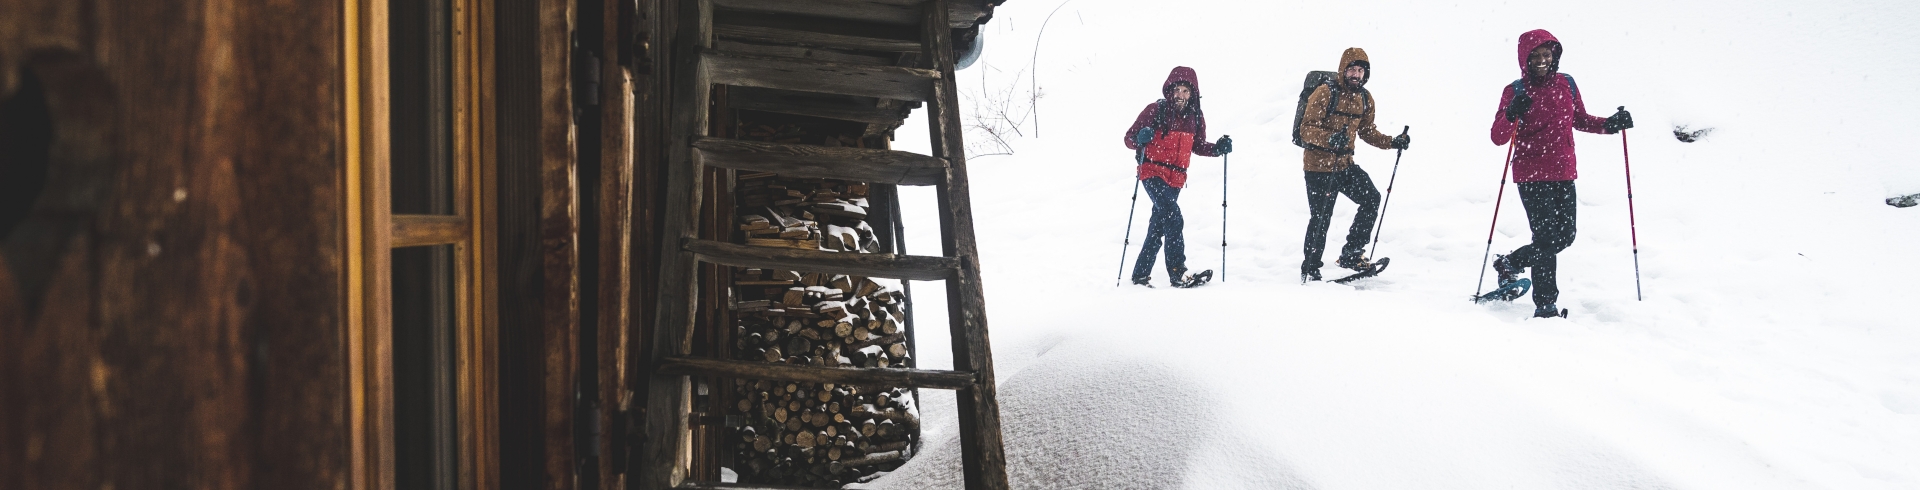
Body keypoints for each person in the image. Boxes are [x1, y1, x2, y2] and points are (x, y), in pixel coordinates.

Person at [1488, 29, 1633, 317]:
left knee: (1565, 236)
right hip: (1531, 173)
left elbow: (1579, 119)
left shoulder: (1567, 83)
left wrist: (1611, 124)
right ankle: (1546, 305)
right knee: (1544, 238)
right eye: (1536, 56)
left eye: (1547, 54)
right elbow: (1497, 137)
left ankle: (1511, 263)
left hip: (1564, 171)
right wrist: (1511, 112)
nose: (1542, 60)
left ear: (1555, 56)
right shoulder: (1515, 91)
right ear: (1524, 59)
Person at [1296, 48, 1410, 282]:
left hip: (1345, 165)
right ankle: (1310, 267)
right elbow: (1306, 129)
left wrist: (1392, 142)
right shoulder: (1325, 93)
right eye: (1352, 70)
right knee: (1321, 218)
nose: (1356, 74)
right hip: (1319, 167)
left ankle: (1351, 254)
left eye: (1360, 70)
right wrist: (1329, 139)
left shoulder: (1365, 98)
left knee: (1371, 198)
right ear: (1343, 70)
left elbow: (1368, 131)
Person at [1122, 66, 1231, 288]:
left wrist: (1217, 149)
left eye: (1185, 91)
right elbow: (1129, 138)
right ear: (1170, 91)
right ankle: (1177, 273)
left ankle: (1140, 276)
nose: (1180, 95)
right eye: (1177, 90)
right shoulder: (1155, 110)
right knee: (1173, 216)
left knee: (1159, 225)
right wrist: (1141, 139)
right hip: (1152, 172)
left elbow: (1198, 146)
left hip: (1176, 179)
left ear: (1193, 94)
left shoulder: (1195, 117)